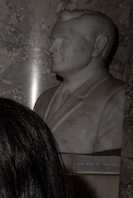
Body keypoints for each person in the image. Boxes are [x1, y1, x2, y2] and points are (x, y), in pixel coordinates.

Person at [34, 10, 124, 157]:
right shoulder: (44, 99)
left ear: (98, 45)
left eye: (64, 39)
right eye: (53, 40)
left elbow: (106, 171)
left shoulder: (117, 97)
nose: (51, 48)